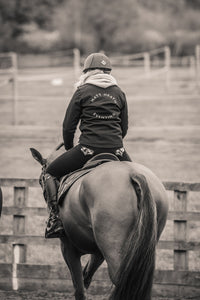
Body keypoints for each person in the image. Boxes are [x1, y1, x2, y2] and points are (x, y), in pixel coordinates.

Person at [44, 52, 132, 238]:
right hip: (117, 149)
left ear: (87, 72)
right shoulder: (119, 92)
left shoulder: (82, 92)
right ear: (108, 71)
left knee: (50, 172)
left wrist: (69, 147)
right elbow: (123, 127)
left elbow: (68, 127)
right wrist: (115, 143)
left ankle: (55, 219)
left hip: (87, 150)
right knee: (136, 178)